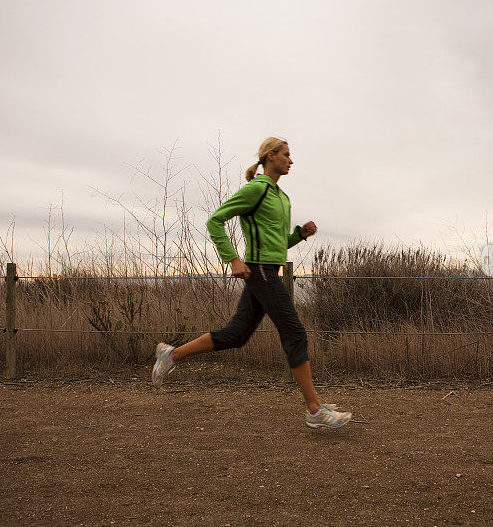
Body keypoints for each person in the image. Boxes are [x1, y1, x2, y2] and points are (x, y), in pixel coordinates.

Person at [151, 137, 352, 429]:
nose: (290, 160)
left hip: (269, 270)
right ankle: (314, 409)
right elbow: (215, 221)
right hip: (258, 271)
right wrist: (232, 258)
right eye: (286, 154)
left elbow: (278, 242)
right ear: (271, 156)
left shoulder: (281, 197)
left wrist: (300, 234)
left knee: (236, 335)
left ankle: (173, 354)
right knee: (295, 333)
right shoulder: (256, 189)